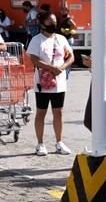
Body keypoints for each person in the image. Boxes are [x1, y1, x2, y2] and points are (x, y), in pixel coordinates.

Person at [27, 10, 74, 155]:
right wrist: (50, 68)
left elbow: (71, 56)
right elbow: (33, 59)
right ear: (42, 24)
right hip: (43, 82)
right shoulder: (37, 40)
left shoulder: (61, 38)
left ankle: (59, 142)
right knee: (41, 112)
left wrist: (61, 68)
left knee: (58, 112)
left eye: (54, 22)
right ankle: (40, 143)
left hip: (59, 82)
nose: (53, 24)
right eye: (50, 22)